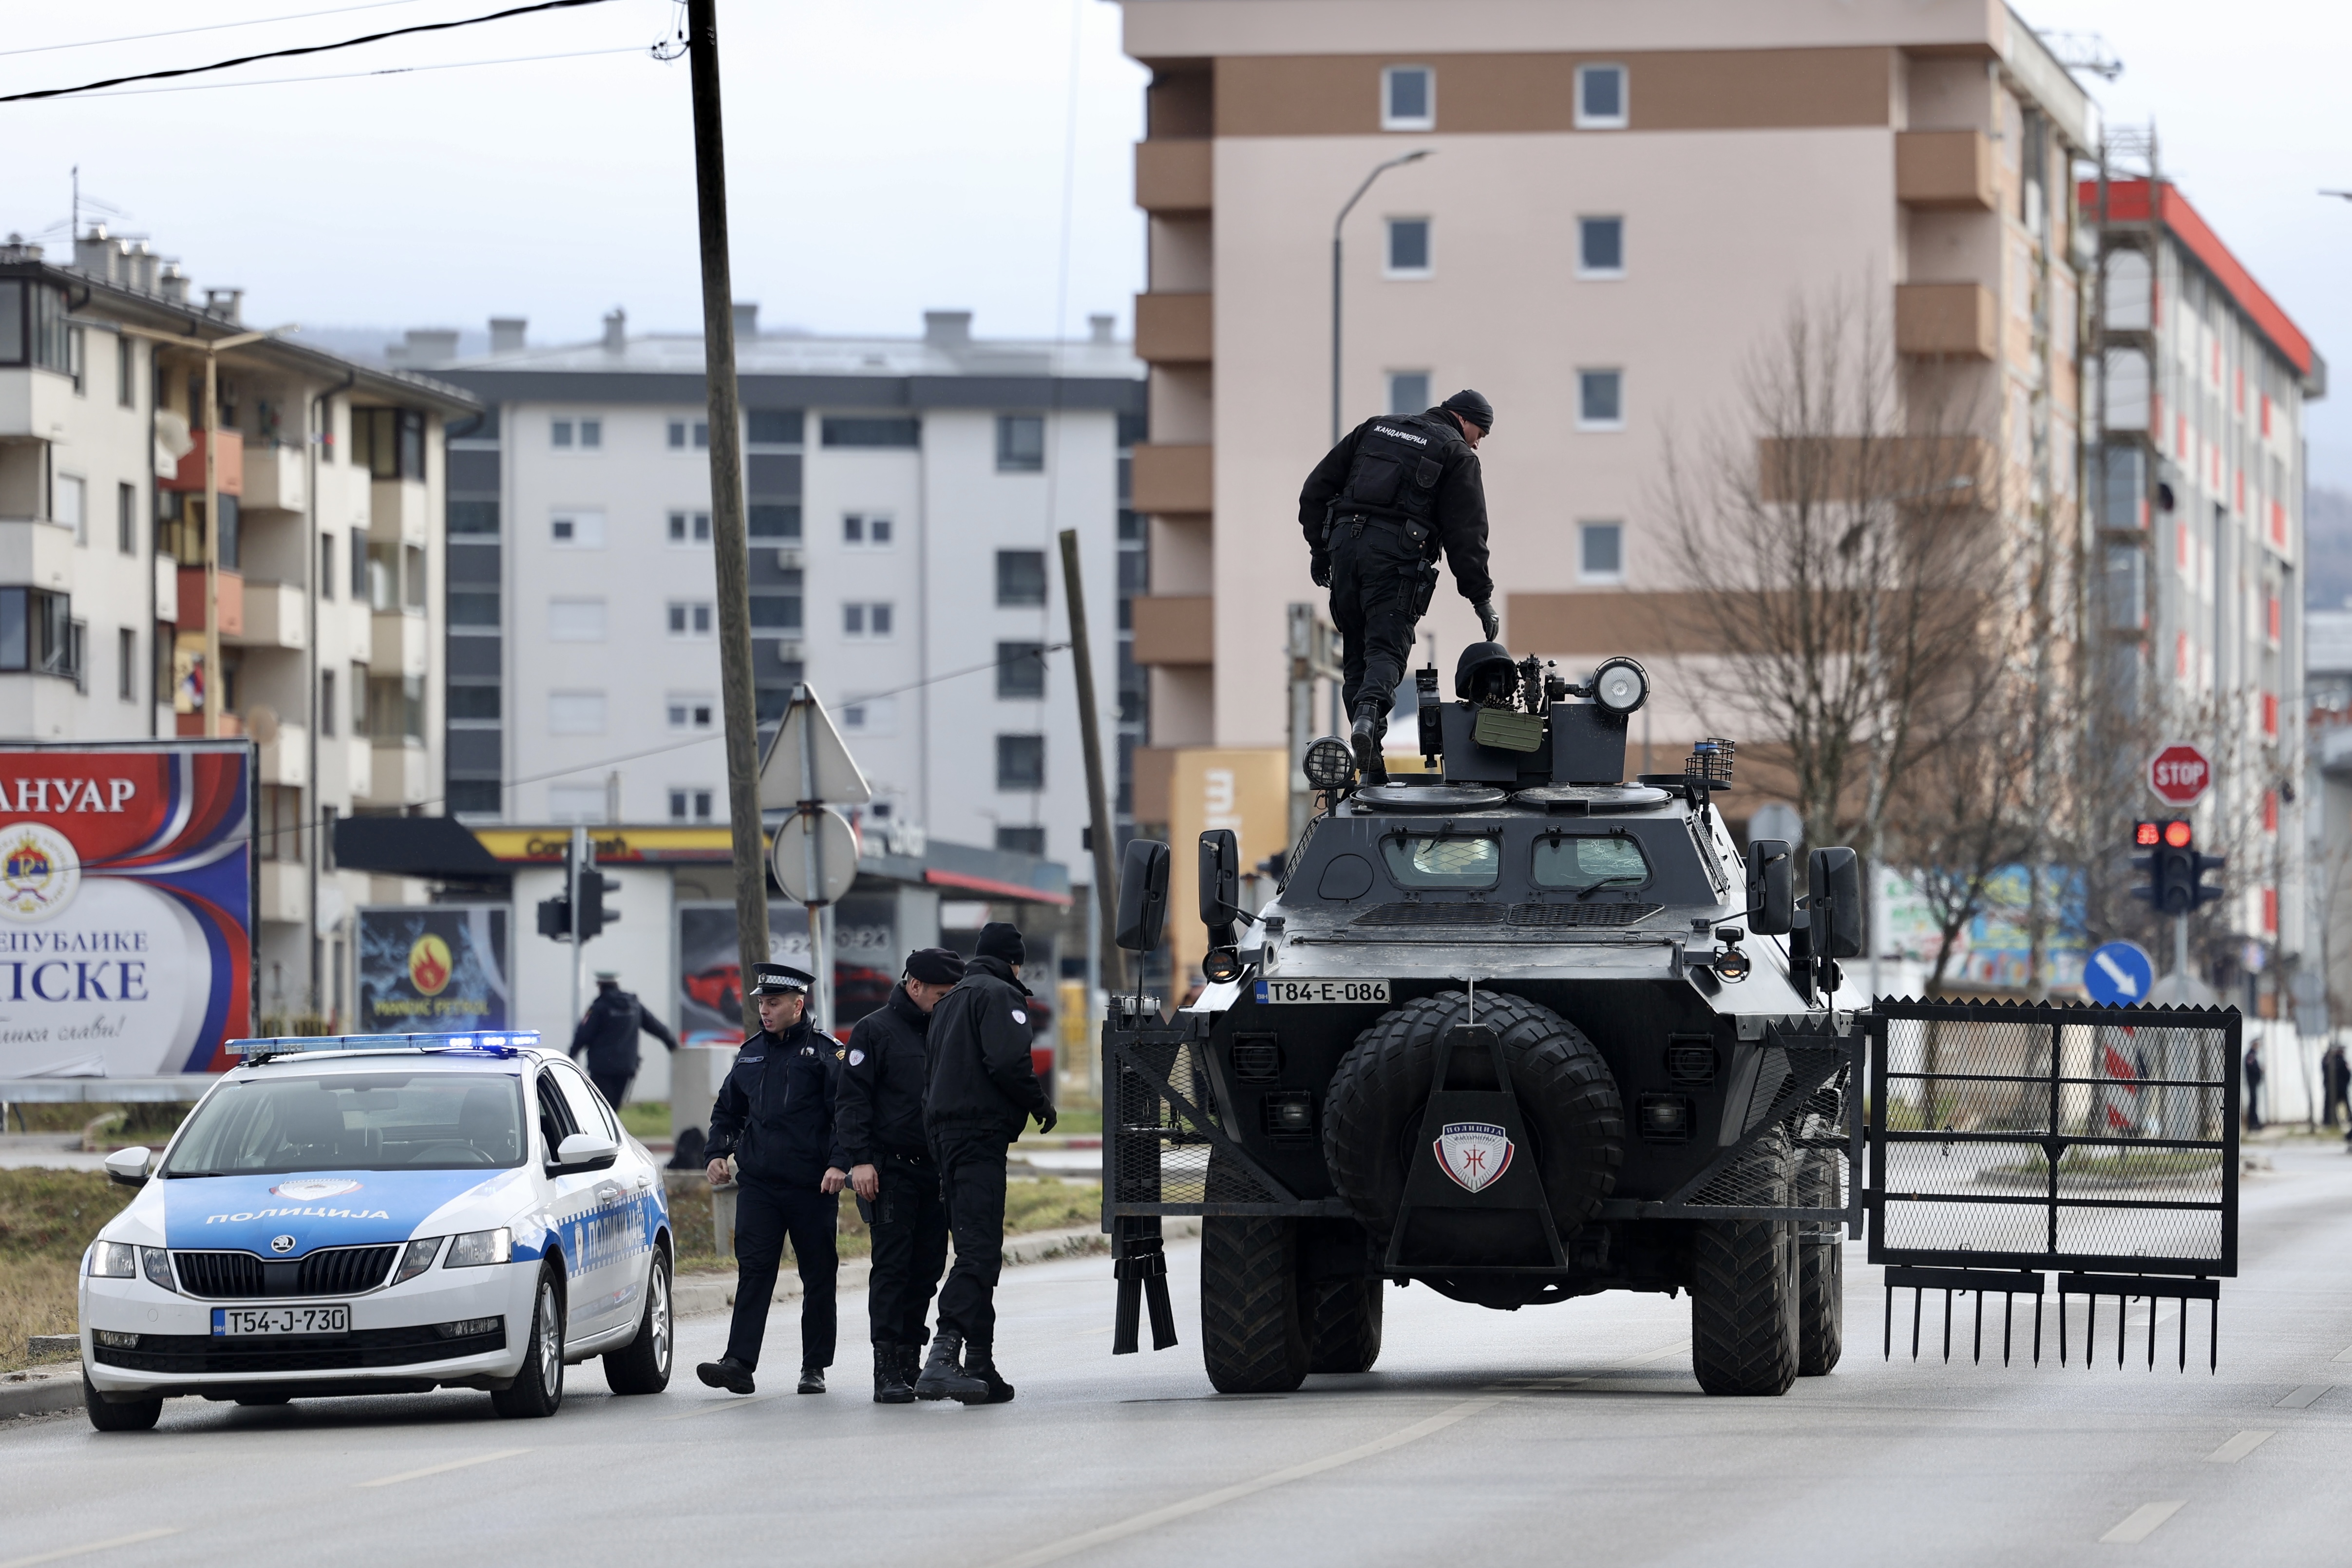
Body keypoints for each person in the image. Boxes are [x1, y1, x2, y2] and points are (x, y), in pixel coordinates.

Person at [1298, 388, 1498, 780]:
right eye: (1481, 433)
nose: (1478, 443)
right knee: (1387, 649)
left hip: (1344, 552)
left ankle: (1372, 765)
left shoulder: (1376, 429)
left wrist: (1320, 551)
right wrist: (1481, 597)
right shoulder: (1457, 454)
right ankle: (1369, 722)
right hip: (1395, 560)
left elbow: (1315, 490)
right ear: (1464, 419)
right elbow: (1467, 535)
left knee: (1356, 650)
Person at [915, 922, 1054, 1405]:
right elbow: (1008, 1063)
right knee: (978, 1253)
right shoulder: (1000, 995)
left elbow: (928, 1078)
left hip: (946, 1140)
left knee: (976, 1248)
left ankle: (980, 1362)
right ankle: (942, 1355)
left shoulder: (949, 1001)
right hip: (978, 1138)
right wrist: (1039, 1103)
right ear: (1014, 963)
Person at [695, 963, 849, 1397]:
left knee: (818, 1274)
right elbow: (728, 1111)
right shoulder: (749, 1053)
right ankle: (739, 1363)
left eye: (774, 1002)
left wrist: (839, 1163)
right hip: (760, 1185)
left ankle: (814, 1364)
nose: (765, 1010)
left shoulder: (826, 1054)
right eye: (761, 1002)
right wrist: (717, 1152)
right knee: (755, 1270)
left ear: (798, 1004)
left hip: (812, 1186)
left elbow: (847, 1116)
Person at [835, 947, 964, 1403]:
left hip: (937, 1169)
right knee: (892, 1268)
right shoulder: (874, 1030)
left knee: (927, 1268)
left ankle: (911, 1358)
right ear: (915, 987)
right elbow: (852, 1101)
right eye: (942, 994)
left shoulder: (947, 1029)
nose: (948, 1001)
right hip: (889, 1169)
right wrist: (860, 1160)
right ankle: (886, 1365)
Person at [569, 971, 679, 1111]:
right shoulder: (634, 1005)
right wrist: (672, 1045)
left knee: (602, 1109)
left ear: (599, 985)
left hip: (602, 1068)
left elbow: (583, 1035)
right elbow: (655, 1026)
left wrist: (571, 1056)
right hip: (626, 1067)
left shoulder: (599, 1007)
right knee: (614, 1108)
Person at [2322, 1040, 2349, 1130]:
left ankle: (2329, 1121)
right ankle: (2331, 1121)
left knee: (2331, 1105)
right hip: (2339, 1088)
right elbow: (2346, 1074)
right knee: (2342, 1104)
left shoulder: (2328, 1060)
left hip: (2332, 1087)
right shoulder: (2338, 1060)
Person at [2243, 1039, 2264, 1133]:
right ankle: (2253, 1124)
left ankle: (2255, 1123)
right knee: (2253, 1103)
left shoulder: (2253, 1055)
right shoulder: (2251, 1055)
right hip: (2252, 1083)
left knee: (2254, 1103)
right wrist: (2259, 1070)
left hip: (2254, 1083)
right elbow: (2251, 1068)